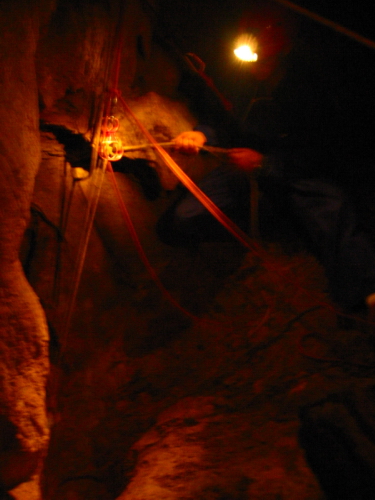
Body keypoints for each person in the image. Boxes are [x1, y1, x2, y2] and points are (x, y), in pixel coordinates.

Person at [157, 4, 375, 316]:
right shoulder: (240, 76)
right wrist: (201, 135)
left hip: (295, 171)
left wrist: (265, 164)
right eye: (249, 29)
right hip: (243, 171)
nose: (253, 38)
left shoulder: (309, 83)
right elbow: (221, 120)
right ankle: (269, 225)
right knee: (182, 219)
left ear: (284, 41)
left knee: (332, 209)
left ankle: (366, 292)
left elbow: (323, 152)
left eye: (264, 31)